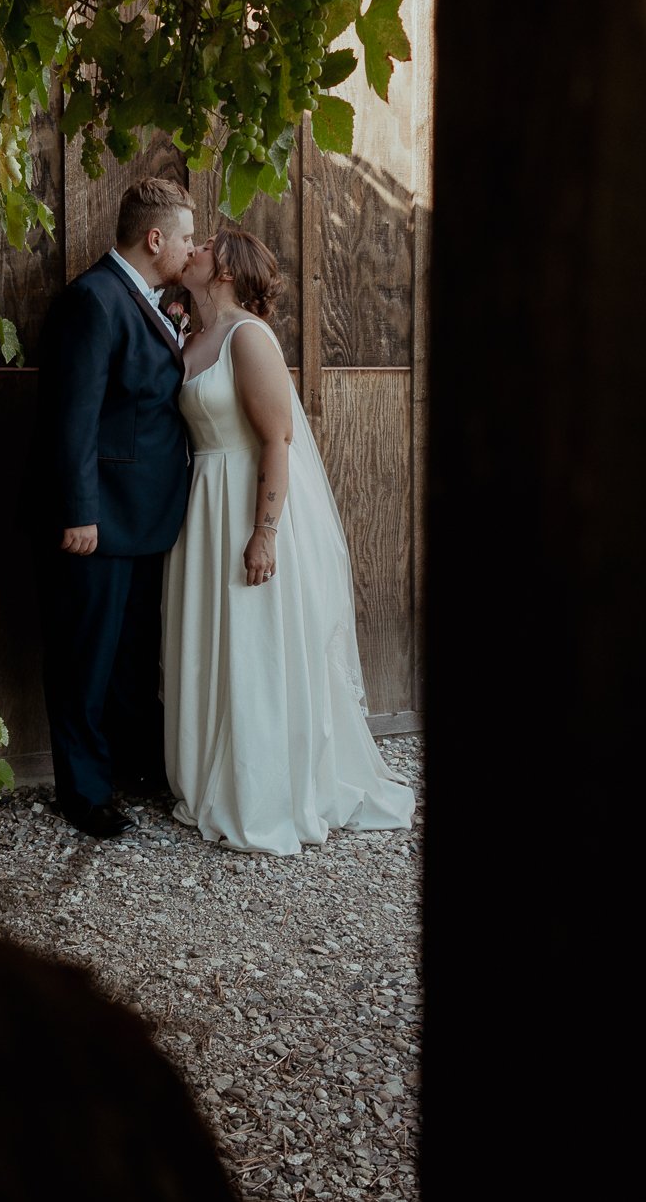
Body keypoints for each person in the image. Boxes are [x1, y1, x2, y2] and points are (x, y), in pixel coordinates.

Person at [163, 229, 416, 854]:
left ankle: (264, 790)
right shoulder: (192, 336)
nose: (191, 249)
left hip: (246, 502)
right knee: (211, 642)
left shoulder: (249, 337)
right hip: (203, 505)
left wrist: (264, 534)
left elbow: (278, 439)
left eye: (204, 246)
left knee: (253, 643)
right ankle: (207, 775)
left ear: (224, 270)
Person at [30, 177, 198, 839]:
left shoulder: (151, 299)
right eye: (185, 236)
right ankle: (85, 791)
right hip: (98, 522)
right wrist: (79, 513)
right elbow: (72, 416)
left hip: (145, 519)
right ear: (155, 238)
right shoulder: (93, 300)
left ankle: (130, 767)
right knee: (85, 659)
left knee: (130, 657)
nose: (191, 248)